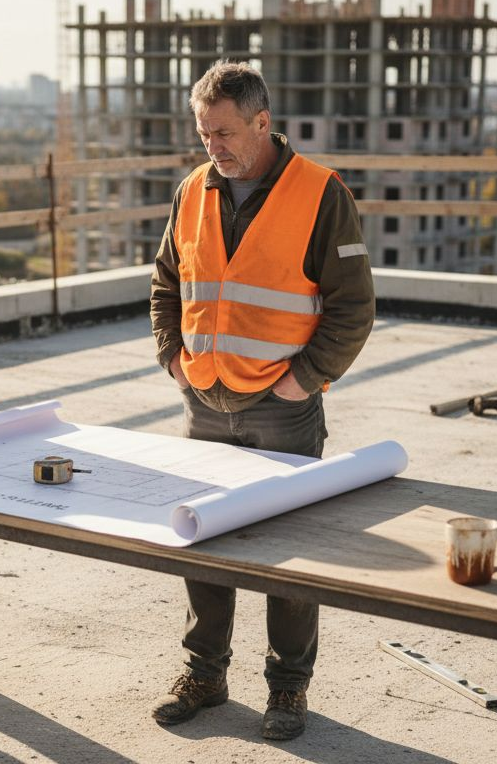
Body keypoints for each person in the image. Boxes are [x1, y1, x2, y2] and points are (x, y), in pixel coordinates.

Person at [148, 61, 375, 740]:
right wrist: (172, 356)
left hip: (282, 407)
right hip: (204, 403)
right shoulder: (193, 190)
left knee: (290, 556)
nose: (210, 145)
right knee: (202, 547)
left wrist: (305, 379)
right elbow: (166, 279)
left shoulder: (320, 193)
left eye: (222, 132)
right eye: (202, 133)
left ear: (262, 123)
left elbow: (354, 306)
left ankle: (287, 690)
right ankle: (205, 674)